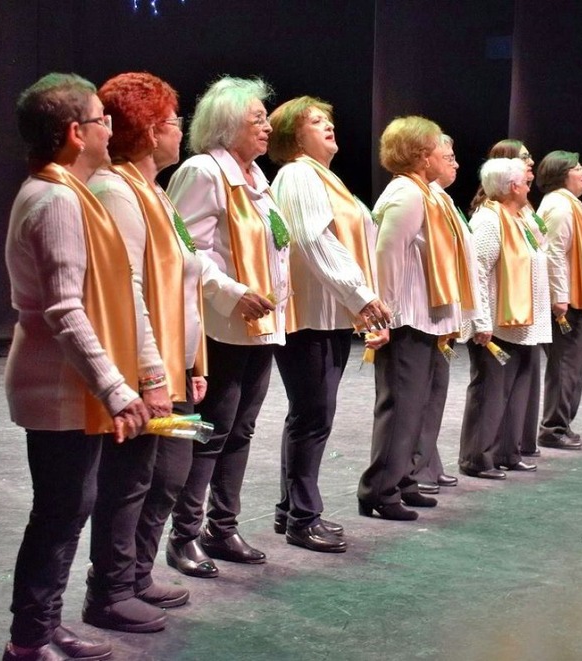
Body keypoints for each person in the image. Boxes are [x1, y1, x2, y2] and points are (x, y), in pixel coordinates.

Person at [3, 72, 150, 661]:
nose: (108, 128)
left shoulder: (59, 190)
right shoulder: (58, 198)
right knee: (61, 510)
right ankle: (29, 639)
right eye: (100, 120)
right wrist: (117, 388)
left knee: (67, 507)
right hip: (57, 384)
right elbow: (66, 309)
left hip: (62, 381)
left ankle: (42, 627)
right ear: (74, 132)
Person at [83, 71, 222, 632]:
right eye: (171, 122)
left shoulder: (158, 194)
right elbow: (129, 289)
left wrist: (193, 363)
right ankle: (110, 590)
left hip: (176, 365)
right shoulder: (117, 190)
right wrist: (150, 373)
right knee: (131, 478)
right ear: (147, 130)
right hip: (145, 368)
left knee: (171, 472)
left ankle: (137, 573)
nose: (179, 131)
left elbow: (185, 285)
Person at [166, 76, 289, 575]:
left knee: (241, 428)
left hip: (260, 323)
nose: (267, 126)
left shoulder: (257, 177)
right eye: (257, 118)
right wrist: (232, 293)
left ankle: (223, 527)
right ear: (225, 124)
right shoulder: (202, 171)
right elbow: (186, 250)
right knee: (210, 431)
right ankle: (183, 535)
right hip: (220, 325)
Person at [268, 96, 392, 552]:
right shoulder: (299, 174)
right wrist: (361, 296)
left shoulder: (325, 177)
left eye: (328, 119)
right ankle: (303, 516)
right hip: (310, 317)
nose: (328, 126)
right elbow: (311, 240)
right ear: (293, 136)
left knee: (309, 415)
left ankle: (291, 510)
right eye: (316, 121)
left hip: (328, 314)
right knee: (313, 417)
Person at [357, 116, 478, 521]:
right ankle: (379, 489)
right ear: (422, 156)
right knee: (401, 407)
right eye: (441, 151)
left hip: (426, 319)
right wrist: (382, 321)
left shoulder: (428, 195)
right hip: (405, 319)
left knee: (418, 407)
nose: (449, 158)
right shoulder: (407, 195)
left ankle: (404, 478)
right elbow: (386, 259)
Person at [459, 157, 550, 477]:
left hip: (524, 322)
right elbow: (477, 272)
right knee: (491, 392)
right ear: (512, 187)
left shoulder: (520, 218)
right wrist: (480, 320)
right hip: (497, 323)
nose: (529, 187)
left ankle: (507, 452)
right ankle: (477, 458)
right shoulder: (489, 220)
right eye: (525, 183)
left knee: (516, 391)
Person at [535, 151, 582, 449]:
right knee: (566, 364)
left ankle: (560, 424)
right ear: (562, 173)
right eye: (578, 168)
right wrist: (560, 297)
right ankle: (553, 428)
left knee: (574, 363)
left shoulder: (572, 205)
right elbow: (553, 253)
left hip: (573, 299)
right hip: (562, 304)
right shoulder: (560, 207)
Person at [412, 135, 466, 494]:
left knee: (435, 391)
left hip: (441, 311)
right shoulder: (412, 195)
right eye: (448, 156)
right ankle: (415, 467)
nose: (455, 163)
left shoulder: (441, 198)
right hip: (420, 310)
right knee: (417, 396)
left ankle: (428, 460)